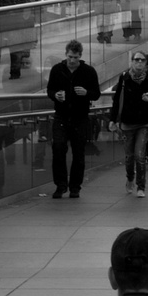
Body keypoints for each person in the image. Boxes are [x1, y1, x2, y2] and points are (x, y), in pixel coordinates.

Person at [47, 40, 101, 199]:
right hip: (61, 116)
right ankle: (60, 185)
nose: (72, 61)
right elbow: (50, 89)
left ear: (80, 56)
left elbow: (96, 93)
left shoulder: (89, 71)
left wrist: (86, 93)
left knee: (79, 153)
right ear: (66, 55)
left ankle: (75, 187)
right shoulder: (57, 70)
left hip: (80, 117)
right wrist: (55, 95)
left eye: (76, 58)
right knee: (58, 148)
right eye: (70, 57)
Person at [109, 50, 148, 198]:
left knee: (140, 155)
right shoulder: (124, 78)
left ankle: (141, 187)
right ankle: (130, 178)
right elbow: (117, 100)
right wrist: (113, 119)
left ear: (146, 64)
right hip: (127, 123)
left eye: (142, 60)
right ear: (132, 61)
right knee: (129, 157)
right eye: (137, 60)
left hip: (144, 122)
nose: (139, 63)